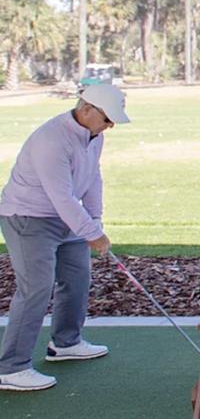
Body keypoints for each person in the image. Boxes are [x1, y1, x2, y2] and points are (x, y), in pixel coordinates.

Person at [0, 84, 131, 392]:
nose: (111, 126)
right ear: (86, 109)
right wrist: (92, 233)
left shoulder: (93, 135)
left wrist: (95, 218)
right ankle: (11, 368)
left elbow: (93, 176)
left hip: (65, 217)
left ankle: (66, 343)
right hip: (28, 218)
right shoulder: (52, 140)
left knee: (76, 278)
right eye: (108, 119)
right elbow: (60, 196)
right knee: (36, 289)